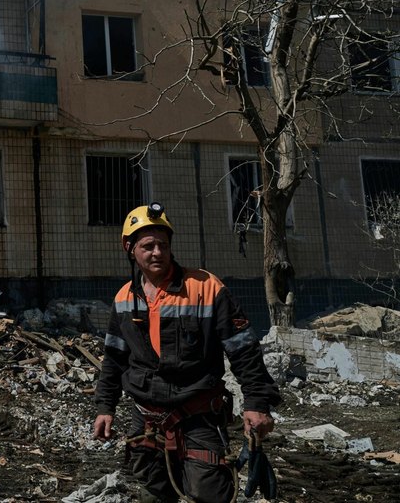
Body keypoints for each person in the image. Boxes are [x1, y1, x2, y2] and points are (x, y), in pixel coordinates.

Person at [92, 203, 281, 503]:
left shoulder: (206, 288)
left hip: (198, 415)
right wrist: (105, 407)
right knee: (153, 495)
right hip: (145, 418)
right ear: (130, 249)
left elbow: (244, 349)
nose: (157, 252)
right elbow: (114, 359)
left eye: (163, 245)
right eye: (148, 246)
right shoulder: (124, 298)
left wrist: (257, 404)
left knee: (209, 494)